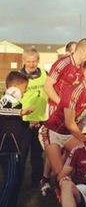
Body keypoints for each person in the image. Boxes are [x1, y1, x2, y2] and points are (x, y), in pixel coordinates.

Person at [41, 59, 86, 177]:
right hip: (53, 132)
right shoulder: (76, 91)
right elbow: (70, 124)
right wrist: (85, 140)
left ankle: (84, 183)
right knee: (61, 173)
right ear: (85, 73)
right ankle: (48, 182)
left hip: (68, 134)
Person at [0, 71, 32, 207]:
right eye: (24, 89)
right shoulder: (5, 102)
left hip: (12, 148)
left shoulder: (13, 104)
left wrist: (27, 122)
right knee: (10, 181)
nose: (24, 93)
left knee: (12, 180)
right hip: (10, 148)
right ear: (15, 89)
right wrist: (20, 112)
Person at [19, 48, 48, 186]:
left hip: (41, 119)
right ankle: (16, 179)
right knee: (22, 153)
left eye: (34, 61)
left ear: (38, 61)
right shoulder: (18, 76)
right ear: (23, 61)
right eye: (28, 61)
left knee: (37, 153)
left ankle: (36, 180)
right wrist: (28, 118)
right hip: (23, 121)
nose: (31, 64)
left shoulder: (44, 74)